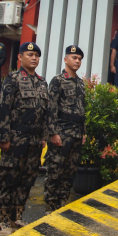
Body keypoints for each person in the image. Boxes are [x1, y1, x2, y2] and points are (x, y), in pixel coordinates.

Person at [0, 42, 49, 236]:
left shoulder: (42, 82)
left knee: (28, 179)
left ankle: (17, 217)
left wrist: (43, 136)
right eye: (30, 54)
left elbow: (45, 113)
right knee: (9, 179)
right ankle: (3, 221)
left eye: (36, 55)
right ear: (20, 57)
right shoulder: (13, 79)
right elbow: (4, 109)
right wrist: (4, 137)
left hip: (35, 140)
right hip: (16, 137)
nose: (34, 58)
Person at [45, 45, 87, 213]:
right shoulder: (58, 80)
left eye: (79, 59)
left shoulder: (80, 83)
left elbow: (82, 109)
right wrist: (53, 132)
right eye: (74, 58)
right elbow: (51, 108)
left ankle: (61, 205)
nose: (77, 61)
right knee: (55, 171)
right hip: (62, 133)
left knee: (70, 172)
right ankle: (50, 208)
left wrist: (83, 132)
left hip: (76, 134)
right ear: (65, 59)